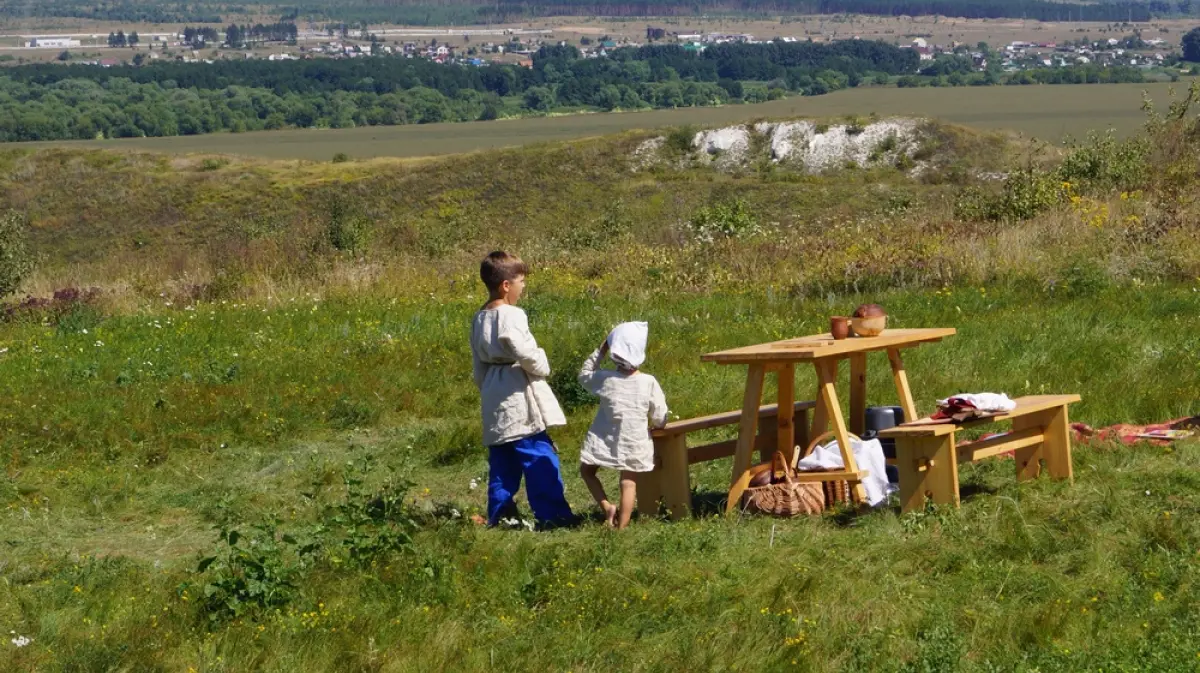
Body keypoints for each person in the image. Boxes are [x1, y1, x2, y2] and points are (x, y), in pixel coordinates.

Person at [470, 251, 574, 529]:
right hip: (516, 392)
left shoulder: (479, 317)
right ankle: (554, 516)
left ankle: (500, 514)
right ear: (506, 285)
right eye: (521, 281)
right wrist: (540, 363)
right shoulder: (511, 314)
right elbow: (519, 346)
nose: (523, 286)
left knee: (503, 460)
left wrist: (487, 389)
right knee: (538, 454)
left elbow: (477, 365)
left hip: (493, 390)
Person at [578, 322, 668, 528]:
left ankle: (607, 506)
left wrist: (601, 349)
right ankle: (622, 529)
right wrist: (659, 424)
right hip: (634, 438)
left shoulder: (605, 378)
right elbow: (660, 415)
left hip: (605, 437)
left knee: (587, 471)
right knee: (628, 482)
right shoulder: (648, 382)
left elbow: (584, 374)